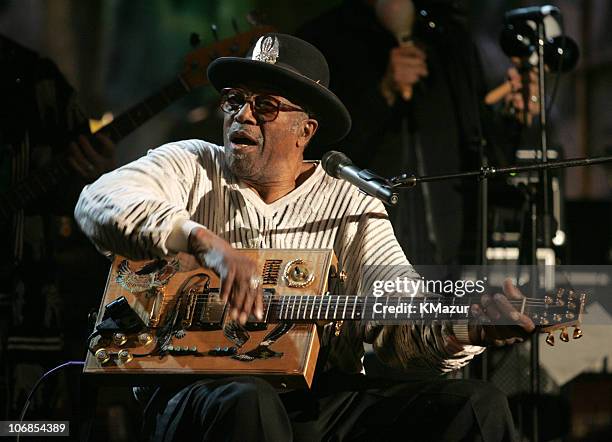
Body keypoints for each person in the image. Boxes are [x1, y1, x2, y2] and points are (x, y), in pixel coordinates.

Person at [75, 33, 533, 441]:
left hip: (318, 398)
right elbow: (99, 200)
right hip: (192, 386)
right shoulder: (192, 164)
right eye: (234, 100)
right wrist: (202, 241)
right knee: (250, 400)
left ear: (306, 130)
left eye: (266, 106)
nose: (243, 116)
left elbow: (400, 319)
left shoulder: (350, 202)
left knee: (476, 406)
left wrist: (469, 329)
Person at [296, 0, 539, 268]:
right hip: (358, 240)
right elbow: (316, 150)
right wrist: (384, 93)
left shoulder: (450, 40)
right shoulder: (323, 37)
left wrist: (513, 119)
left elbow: (480, 145)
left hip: (450, 247)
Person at [0, 34, 116, 418]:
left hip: (27, 306)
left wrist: (95, 173)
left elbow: (78, 202)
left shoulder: (37, 81)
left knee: (30, 426)